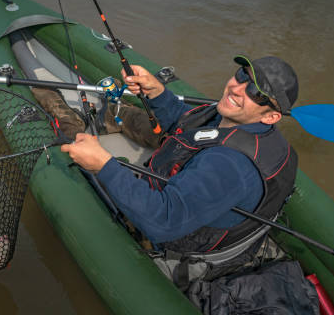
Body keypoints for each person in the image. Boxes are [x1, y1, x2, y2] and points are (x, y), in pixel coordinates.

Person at [60, 55, 299, 284]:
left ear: (271, 117)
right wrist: (157, 93)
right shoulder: (238, 122)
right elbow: (188, 125)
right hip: (200, 209)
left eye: (256, 93)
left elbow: (163, 221)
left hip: (180, 243)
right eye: (242, 75)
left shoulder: (230, 166)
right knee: (118, 122)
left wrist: (104, 164)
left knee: (80, 154)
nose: (237, 88)